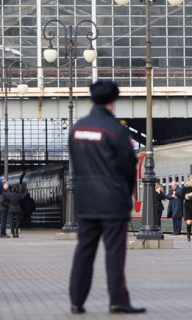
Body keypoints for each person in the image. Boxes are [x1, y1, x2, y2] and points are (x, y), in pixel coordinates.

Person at [68, 80, 145, 315]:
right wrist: (127, 189)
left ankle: (76, 300)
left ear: (92, 99)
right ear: (113, 101)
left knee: (84, 250)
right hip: (113, 199)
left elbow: (76, 163)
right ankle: (118, 300)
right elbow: (128, 165)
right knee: (114, 251)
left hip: (86, 200)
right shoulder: (116, 129)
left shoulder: (76, 129)